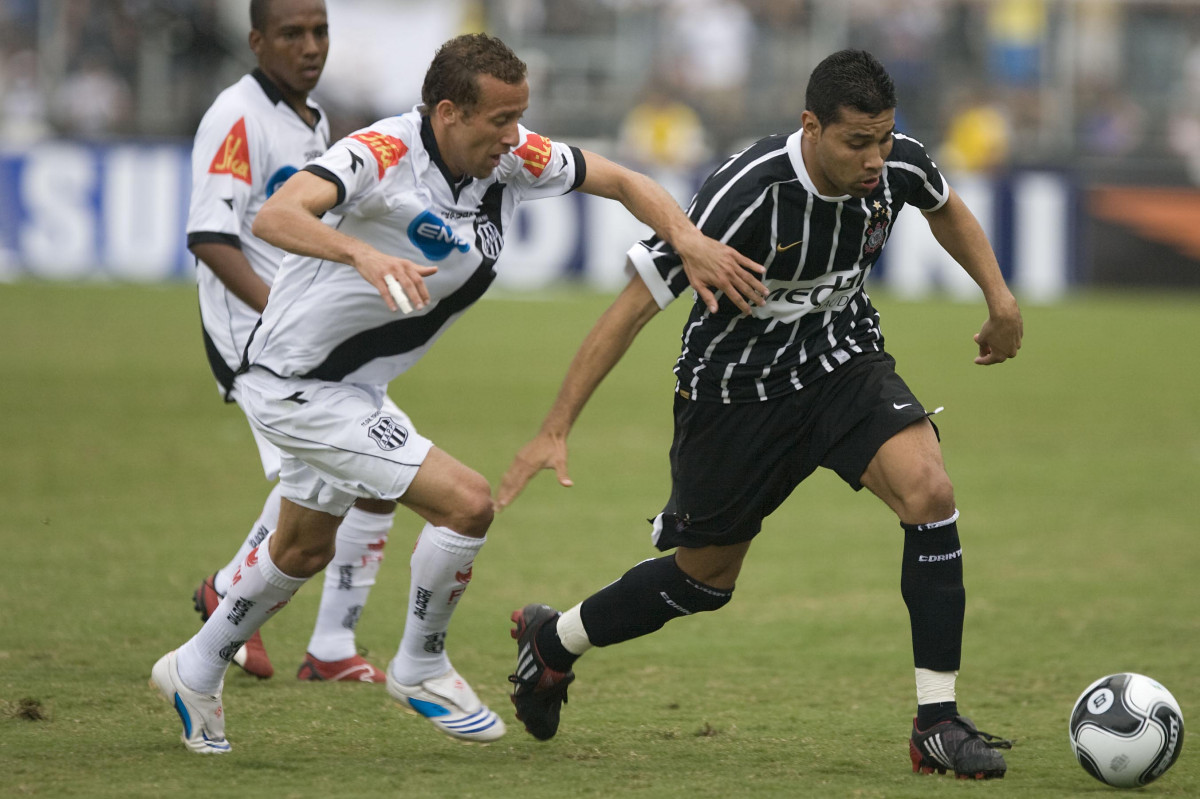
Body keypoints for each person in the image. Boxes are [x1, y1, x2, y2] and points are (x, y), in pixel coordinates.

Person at [151, 32, 764, 754]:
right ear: (447, 113)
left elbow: (626, 182)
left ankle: (193, 667)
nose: (515, 139)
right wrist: (362, 249)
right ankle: (420, 664)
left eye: (520, 117)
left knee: (303, 545)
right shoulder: (381, 156)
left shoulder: (509, 160)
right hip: (297, 383)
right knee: (467, 501)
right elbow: (275, 216)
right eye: (499, 121)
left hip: (348, 384)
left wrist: (686, 238)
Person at [498, 49, 1023, 780]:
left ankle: (936, 720)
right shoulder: (744, 195)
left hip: (842, 363)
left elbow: (944, 206)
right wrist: (556, 425)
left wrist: (999, 299)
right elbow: (631, 308)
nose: (876, 159)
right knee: (700, 581)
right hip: (735, 396)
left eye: (884, 138)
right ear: (811, 127)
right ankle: (553, 642)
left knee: (930, 493)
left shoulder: (895, 162)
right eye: (856, 143)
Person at [184, 0, 392, 684]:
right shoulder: (236, 115)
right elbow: (211, 237)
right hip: (257, 336)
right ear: (256, 40)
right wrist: (280, 317)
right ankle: (237, 597)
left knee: (371, 466)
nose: (311, 47)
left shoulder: (311, 117)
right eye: (293, 34)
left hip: (305, 333)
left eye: (320, 32)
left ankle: (326, 641)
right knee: (359, 463)